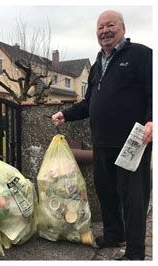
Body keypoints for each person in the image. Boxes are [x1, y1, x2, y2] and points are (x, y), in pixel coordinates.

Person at [51, 10, 152, 260]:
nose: (105, 30)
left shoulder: (142, 55)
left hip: (133, 142)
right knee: (106, 191)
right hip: (102, 142)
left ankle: (136, 252)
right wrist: (66, 114)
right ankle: (114, 234)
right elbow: (89, 102)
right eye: (100, 27)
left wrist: (152, 120)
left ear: (123, 28)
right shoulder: (97, 64)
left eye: (110, 25)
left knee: (133, 198)